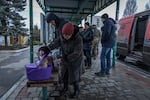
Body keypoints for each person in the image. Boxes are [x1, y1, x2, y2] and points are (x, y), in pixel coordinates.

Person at [45, 22, 83, 98]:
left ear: (72, 34)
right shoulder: (62, 36)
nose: (65, 37)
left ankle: (76, 90)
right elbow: (55, 43)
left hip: (76, 59)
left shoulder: (78, 38)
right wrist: (46, 48)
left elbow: (77, 53)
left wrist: (64, 59)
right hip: (65, 57)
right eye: (64, 35)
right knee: (64, 74)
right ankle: (65, 88)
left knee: (74, 75)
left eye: (68, 35)